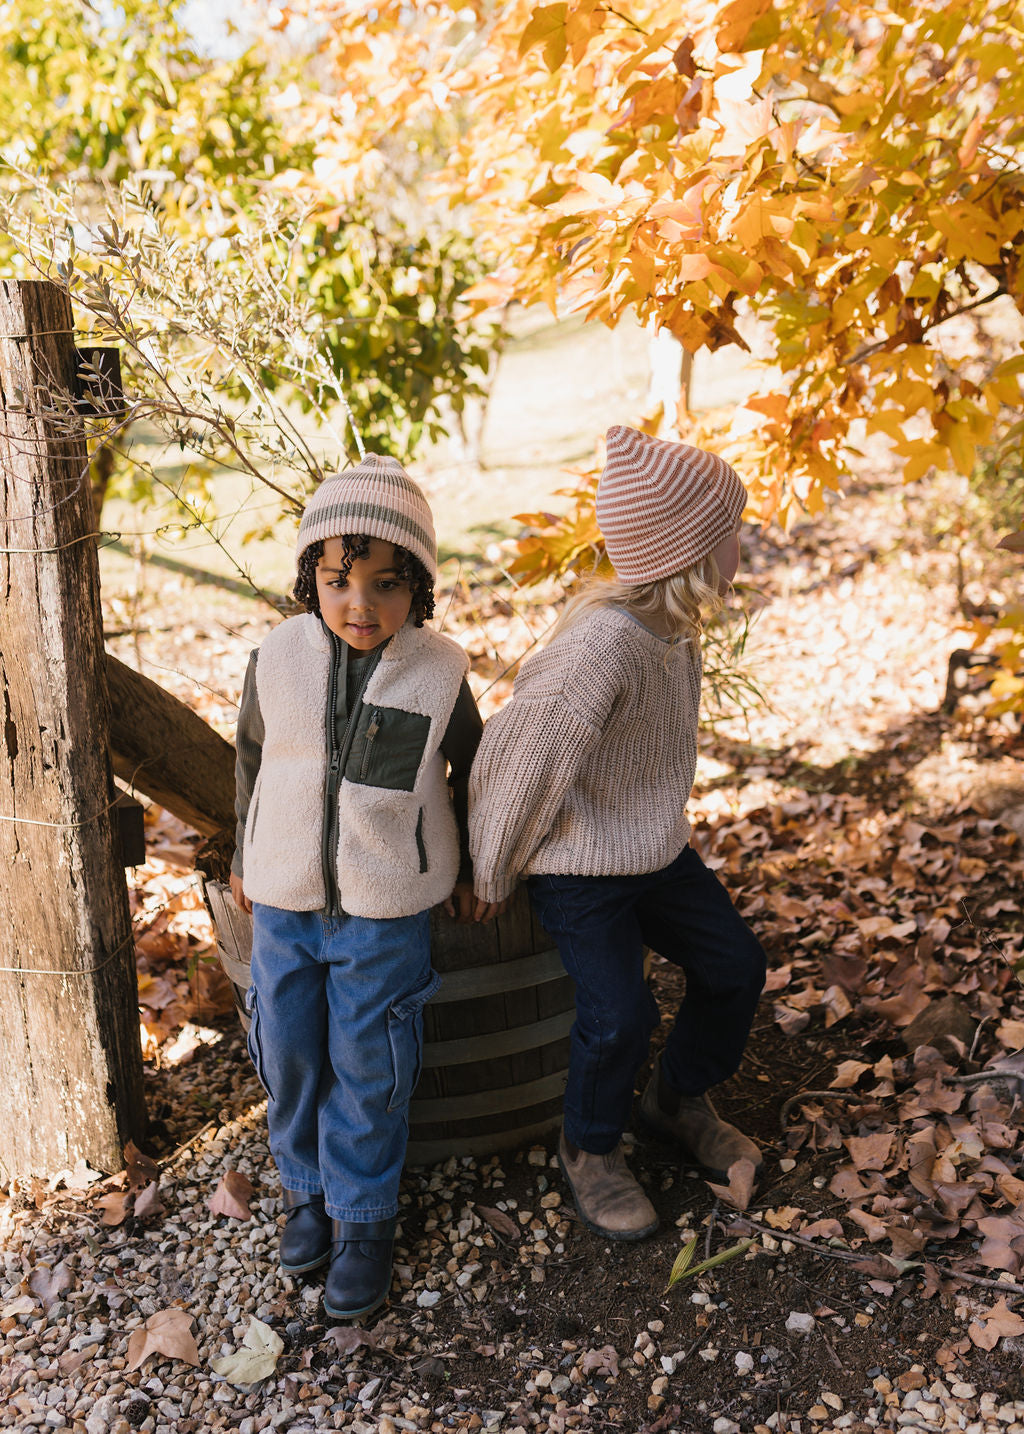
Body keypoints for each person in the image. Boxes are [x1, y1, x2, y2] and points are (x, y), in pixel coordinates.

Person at [469, 425, 767, 1241]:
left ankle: (675, 1098)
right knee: (618, 1013)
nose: (743, 543)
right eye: (730, 532)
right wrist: (492, 871)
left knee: (735, 965)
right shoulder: (600, 649)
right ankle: (590, 1148)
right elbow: (519, 761)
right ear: (689, 552)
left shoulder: (675, 636)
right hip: (578, 865)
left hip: (653, 850)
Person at [230, 454, 495, 1318]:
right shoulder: (275, 657)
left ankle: (365, 1220)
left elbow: (474, 771)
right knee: (293, 1051)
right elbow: (253, 761)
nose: (361, 604)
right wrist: (244, 855)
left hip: (385, 905)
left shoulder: (438, 671)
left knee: (369, 1061)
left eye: (387, 585)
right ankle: (305, 1190)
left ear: (418, 590)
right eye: (339, 579)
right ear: (310, 575)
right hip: (283, 898)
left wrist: (472, 864)